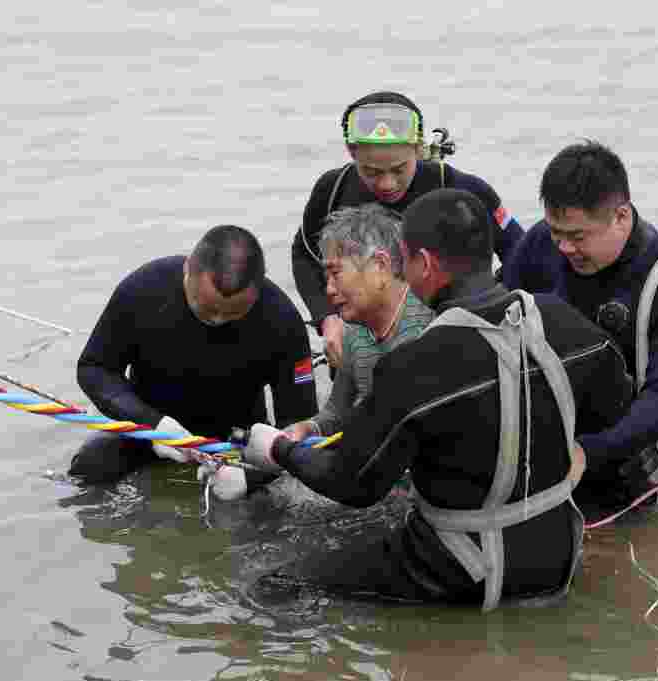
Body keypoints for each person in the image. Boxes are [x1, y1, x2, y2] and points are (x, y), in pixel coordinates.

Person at [234, 188, 633, 611]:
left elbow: (351, 484)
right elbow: (614, 408)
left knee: (274, 586)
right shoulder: (565, 323)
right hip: (556, 554)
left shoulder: (414, 364)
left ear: (424, 264)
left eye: (406, 260)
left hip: (460, 566)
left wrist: (277, 449)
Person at [503, 140, 658, 520]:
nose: (564, 247)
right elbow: (495, 322)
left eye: (578, 236)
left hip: (624, 475)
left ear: (620, 216)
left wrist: (588, 452)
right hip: (537, 456)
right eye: (556, 232)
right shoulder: (538, 244)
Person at [292, 91, 523, 372]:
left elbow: (520, 253)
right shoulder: (332, 190)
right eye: (372, 172)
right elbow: (304, 255)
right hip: (360, 355)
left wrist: (494, 314)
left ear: (418, 149)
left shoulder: (460, 190)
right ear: (351, 152)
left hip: (449, 350)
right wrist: (327, 318)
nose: (387, 183)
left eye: (399, 169)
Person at [69, 225, 317, 483]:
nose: (217, 320)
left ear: (257, 292)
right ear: (188, 268)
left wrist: (251, 480)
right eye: (204, 308)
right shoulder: (144, 289)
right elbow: (94, 368)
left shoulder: (282, 320)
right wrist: (152, 424)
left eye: (233, 314)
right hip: (149, 427)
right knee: (90, 464)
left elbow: (297, 429)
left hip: (234, 437)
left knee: (255, 503)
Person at [282, 203, 434, 443]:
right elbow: (336, 413)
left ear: (380, 266)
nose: (329, 290)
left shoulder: (431, 323)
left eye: (336, 273)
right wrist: (306, 429)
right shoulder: (355, 331)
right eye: (326, 277)